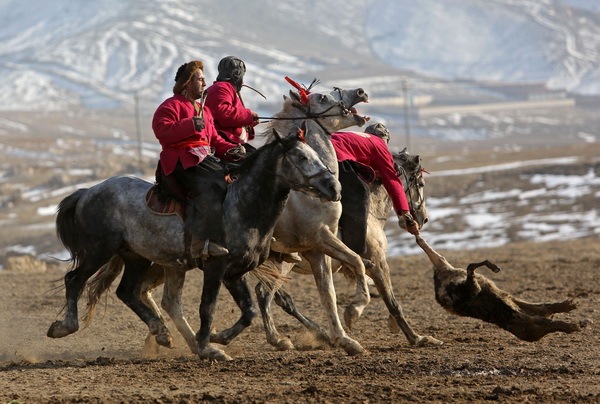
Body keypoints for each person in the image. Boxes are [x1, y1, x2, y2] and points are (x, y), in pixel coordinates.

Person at [152, 60, 246, 264]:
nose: (205, 84)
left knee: (241, 177)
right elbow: (162, 132)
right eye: (201, 79)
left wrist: (231, 149)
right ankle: (199, 241)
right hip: (181, 159)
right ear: (187, 82)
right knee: (216, 183)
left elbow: (214, 140)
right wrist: (189, 125)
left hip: (203, 158)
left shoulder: (205, 111)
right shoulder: (170, 105)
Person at [331, 122, 420, 255]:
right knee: (360, 197)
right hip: (336, 157)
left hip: (319, 150)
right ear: (385, 140)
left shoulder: (355, 137)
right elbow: (392, 181)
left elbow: (360, 164)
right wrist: (405, 214)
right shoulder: (379, 145)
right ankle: (356, 255)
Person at [205, 56, 259, 148]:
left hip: (230, 138)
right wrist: (248, 115)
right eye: (242, 76)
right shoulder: (221, 88)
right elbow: (223, 113)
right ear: (236, 75)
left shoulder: (223, 88)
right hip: (224, 139)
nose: (243, 81)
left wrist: (247, 122)